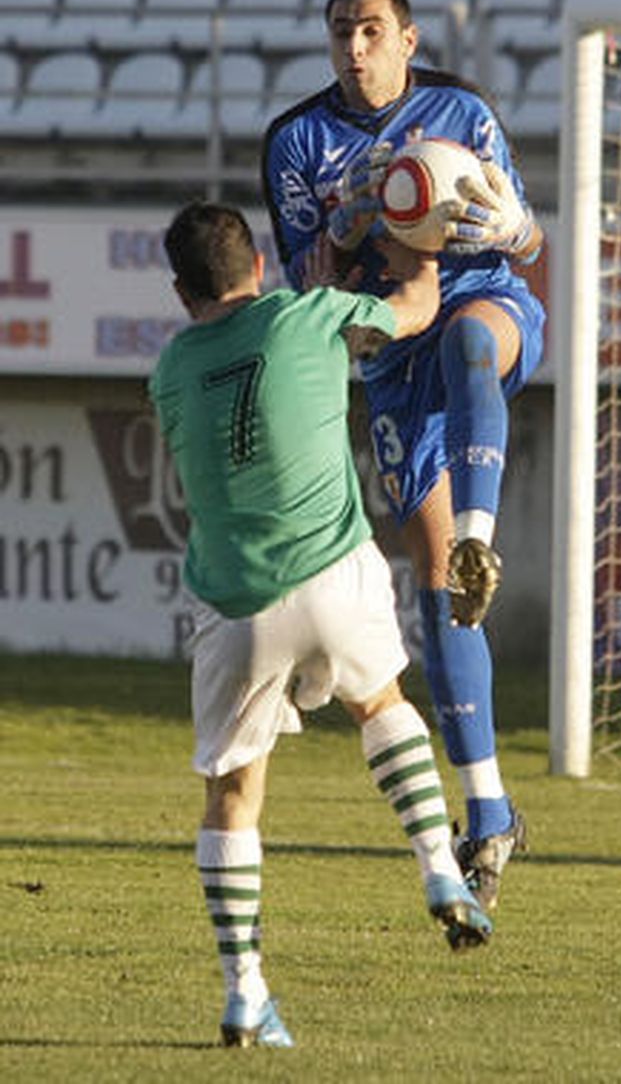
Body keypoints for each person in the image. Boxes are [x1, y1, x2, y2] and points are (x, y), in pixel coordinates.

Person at [150, 201, 489, 1051]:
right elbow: (414, 309)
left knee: (234, 795)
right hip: (333, 574)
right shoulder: (312, 314)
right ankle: (441, 870)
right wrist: (422, 224)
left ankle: (244, 995)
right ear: (259, 266)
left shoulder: (170, 369)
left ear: (182, 292)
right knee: (381, 703)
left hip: (238, 608)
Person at [261, 0, 544, 910]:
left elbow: (525, 236)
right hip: (387, 338)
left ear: (408, 40)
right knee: (440, 602)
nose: (355, 47)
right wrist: (357, 217)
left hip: (476, 300)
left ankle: (479, 534)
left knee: (473, 340)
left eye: (372, 30)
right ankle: (491, 812)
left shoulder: (460, 111)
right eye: (341, 30)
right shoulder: (297, 142)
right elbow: (311, 280)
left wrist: (515, 224)